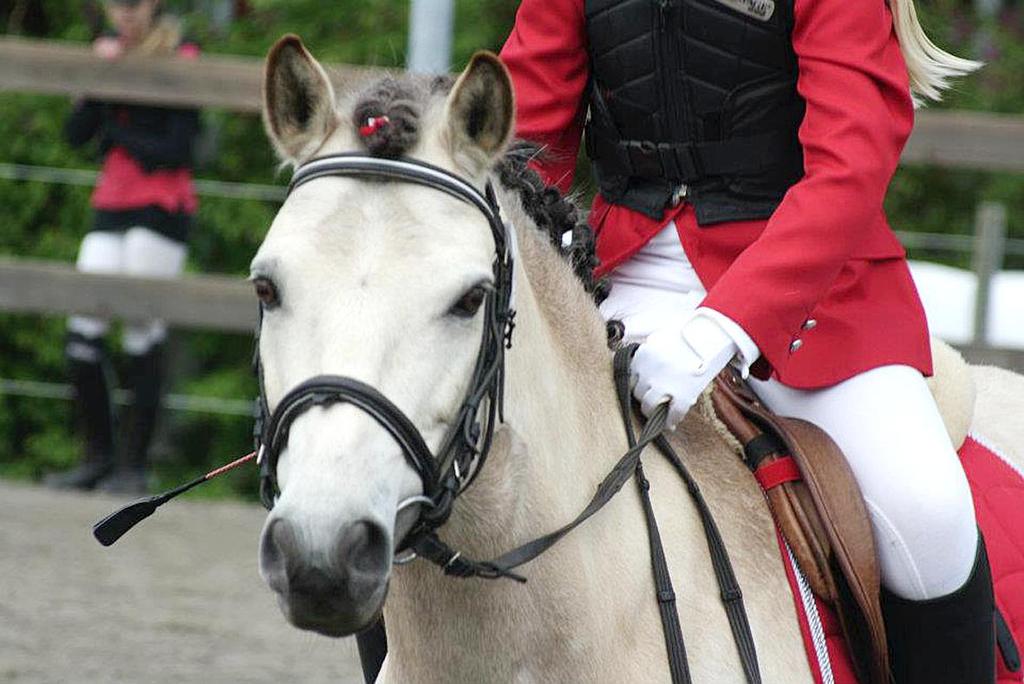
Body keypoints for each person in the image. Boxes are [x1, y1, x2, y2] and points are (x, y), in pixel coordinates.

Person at [500, 0, 993, 681]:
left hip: (812, 294)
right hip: (623, 271)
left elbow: (850, 165)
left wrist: (721, 327)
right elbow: (521, 141)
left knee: (927, 513)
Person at [45, 0, 200, 495]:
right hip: (111, 203)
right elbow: (76, 135)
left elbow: (176, 150)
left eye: (133, 4)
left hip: (161, 207)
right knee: (81, 334)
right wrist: (96, 80)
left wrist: (117, 126)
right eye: (117, 4)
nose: (125, 14)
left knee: (141, 331)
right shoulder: (108, 53)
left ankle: (133, 466)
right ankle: (97, 457)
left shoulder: (184, 55)